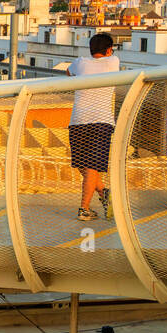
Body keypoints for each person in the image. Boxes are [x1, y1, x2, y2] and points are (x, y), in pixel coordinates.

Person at [68, 32, 120, 221]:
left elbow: (68, 72)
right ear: (108, 50)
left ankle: (92, 201)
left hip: (78, 120)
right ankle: (94, 201)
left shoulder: (81, 62)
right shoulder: (113, 62)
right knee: (89, 166)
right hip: (101, 121)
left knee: (84, 165)